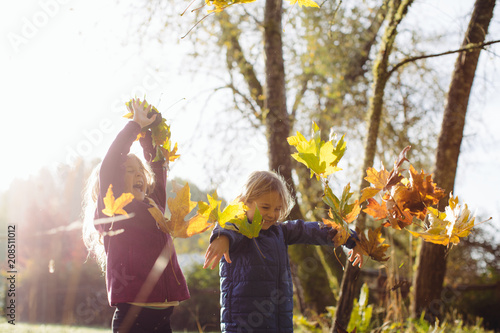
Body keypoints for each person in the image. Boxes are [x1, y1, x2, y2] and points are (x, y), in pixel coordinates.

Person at [203, 170, 364, 332]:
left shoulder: (280, 231)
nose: (272, 214)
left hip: (279, 322)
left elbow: (312, 230)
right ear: (245, 202)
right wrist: (221, 237)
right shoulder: (237, 231)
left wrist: (350, 238)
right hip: (242, 325)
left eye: (278, 209)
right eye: (265, 207)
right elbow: (228, 225)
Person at [82, 98, 189, 333]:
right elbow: (110, 165)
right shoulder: (114, 211)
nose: (139, 174)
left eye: (140, 171)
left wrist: (150, 136)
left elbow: (157, 168)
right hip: (134, 317)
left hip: (164, 316)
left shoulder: (154, 206)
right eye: (129, 171)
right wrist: (135, 127)